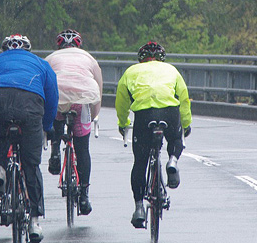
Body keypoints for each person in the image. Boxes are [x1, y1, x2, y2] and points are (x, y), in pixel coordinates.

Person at [0, 34, 58, 243]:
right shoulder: (42, 64)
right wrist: (47, 126)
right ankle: (35, 222)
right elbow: (52, 96)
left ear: (4, 50)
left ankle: (0, 171)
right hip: (30, 104)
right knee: (31, 165)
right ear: (27, 50)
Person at [114, 41, 192, 228]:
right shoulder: (172, 70)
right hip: (169, 111)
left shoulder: (131, 71)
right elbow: (183, 98)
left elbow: (122, 102)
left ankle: (139, 207)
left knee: (140, 161)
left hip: (144, 114)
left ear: (141, 59)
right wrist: (186, 124)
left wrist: (123, 124)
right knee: (174, 139)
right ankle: (172, 160)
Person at [45, 29, 103, 215]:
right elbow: (98, 89)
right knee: (82, 148)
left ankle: (55, 148)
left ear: (59, 45)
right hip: (82, 98)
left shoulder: (50, 58)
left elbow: (43, 85)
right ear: (79, 45)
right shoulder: (89, 58)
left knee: (55, 113)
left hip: (58, 98)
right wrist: (94, 115)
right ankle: (84, 195)